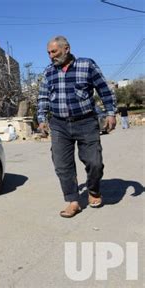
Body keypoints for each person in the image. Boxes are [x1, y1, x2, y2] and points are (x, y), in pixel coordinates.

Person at [37, 36, 117, 218]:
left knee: (94, 162)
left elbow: (104, 89)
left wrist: (111, 113)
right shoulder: (49, 72)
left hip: (86, 122)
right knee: (62, 165)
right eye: (48, 53)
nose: (51, 56)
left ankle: (94, 190)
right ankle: (73, 201)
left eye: (54, 52)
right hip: (59, 124)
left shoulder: (86, 65)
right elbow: (42, 97)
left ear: (66, 48)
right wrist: (41, 119)